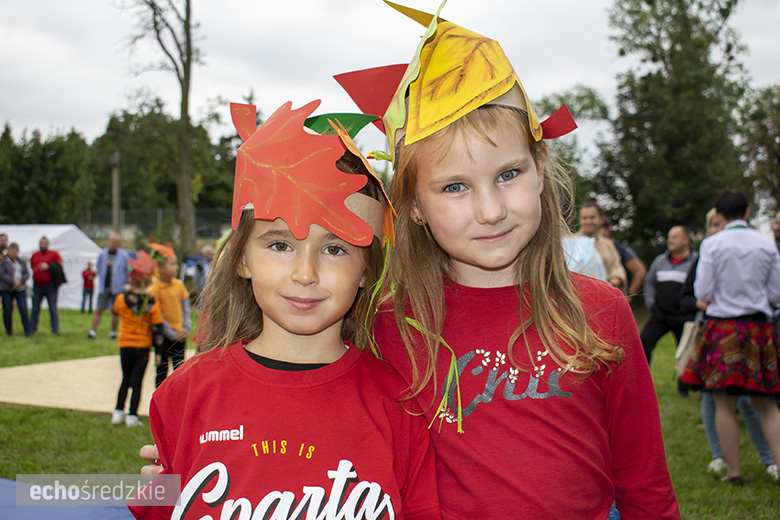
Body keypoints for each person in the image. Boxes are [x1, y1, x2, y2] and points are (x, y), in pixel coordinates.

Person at [142, 3, 680, 517]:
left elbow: (646, 487)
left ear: (541, 165)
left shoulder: (601, 315)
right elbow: (302, 412)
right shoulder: (383, 326)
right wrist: (184, 463)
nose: (490, 210)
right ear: (415, 205)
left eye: (509, 174)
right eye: (454, 187)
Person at [129, 100, 440, 520]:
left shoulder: (396, 404)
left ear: (366, 271)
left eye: (334, 249)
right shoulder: (186, 395)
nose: (305, 273)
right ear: (241, 259)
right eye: (280, 245)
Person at [682, 189, 780, 486]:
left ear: (720, 215)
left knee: (724, 404)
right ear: (748, 212)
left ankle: (734, 473)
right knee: (766, 405)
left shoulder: (712, 244)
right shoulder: (767, 245)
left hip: (722, 328)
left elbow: (702, 292)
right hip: (758, 329)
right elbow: (776, 293)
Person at [111, 251, 163, 428]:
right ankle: (132, 416)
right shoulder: (152, 303)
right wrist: (158, 352)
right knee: (137, 382)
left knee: (125, 378)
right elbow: (157, 328)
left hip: (125, 343)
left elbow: (115, 311)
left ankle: (118, 412)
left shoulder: (120, 299)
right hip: (142, 346)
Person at [640, 226, 698, 366]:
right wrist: (651, 304)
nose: (669, 240)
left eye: (674, 237)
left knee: (686, 351)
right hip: (660, 315)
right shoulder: (660, 261)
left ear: (686, 240)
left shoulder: (696, 262)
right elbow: (649, 283)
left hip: (684, 317)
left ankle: (683, 387)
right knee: (643, 343)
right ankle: (643, 382)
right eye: (669, 237)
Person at [147, 243, 190, 388]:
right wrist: (171, 333)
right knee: (162, 371)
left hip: (180, 334)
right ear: (161, 268)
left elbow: (186, 308)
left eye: (176, 264)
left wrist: (185, 327)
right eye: (172, 264)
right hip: (166, 337)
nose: (176, 267)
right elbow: (158, 316)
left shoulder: (179, 285)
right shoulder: (155, 290)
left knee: (180, 370)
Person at [577, 199, 627, 289]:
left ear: (601, 219)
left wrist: (612, 284)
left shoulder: (607, 244)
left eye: (592, 217)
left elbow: (617, 270)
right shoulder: (569, 243)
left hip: (603, 295)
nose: (588, 221)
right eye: (584, 218)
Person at [89, 232, 131, 339]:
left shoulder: (124, 256)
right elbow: (99, 267)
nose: (114, 243)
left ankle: (113, 332)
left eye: (116, 241)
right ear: (109, 241)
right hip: (105, 286)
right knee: (99, 309)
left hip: (118, 288)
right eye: (112, 240)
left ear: (119, 242)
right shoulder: (103, 254)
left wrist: (126, 283)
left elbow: (128, 271)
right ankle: (92, 331)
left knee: (115, 311)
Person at [601, 218, 647, 302]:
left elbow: (640, 271)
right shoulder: (585, 246)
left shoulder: (619, 249)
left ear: (608, 230)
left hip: (614, 298)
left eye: (601, 228)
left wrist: (629, 295)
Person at [30, 236, 63, 335]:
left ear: (48, 244)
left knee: (52, 308)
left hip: (51, 286)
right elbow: (32, 266)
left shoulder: (54, 254)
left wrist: (48, 267)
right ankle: (32, 329)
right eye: (41, 243)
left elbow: (60, 266)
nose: (42, 245)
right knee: (35, 308)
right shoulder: (35, 255)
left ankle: (55, 329)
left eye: (44, 243)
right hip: (37, 286)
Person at [0, 242, 32, 336]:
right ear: (8, 251)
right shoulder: (4, 262)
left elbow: (26, 273)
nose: (13, 252)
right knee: (8, 310)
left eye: (15, 250)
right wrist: (12, 282)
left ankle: (27, 330)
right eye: (11, 250)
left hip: (20, 288)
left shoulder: (21, 262)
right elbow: (2, 274)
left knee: (23, 308)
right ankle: (9, 330)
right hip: (7, 289)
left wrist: (20, 282)